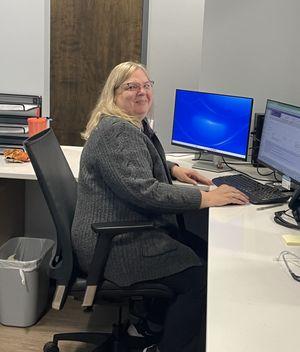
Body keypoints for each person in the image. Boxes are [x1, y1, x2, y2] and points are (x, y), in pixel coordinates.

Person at [71, 62, 249, 352]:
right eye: (131, 86)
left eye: (146, 85)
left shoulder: (126, 124)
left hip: (117, 234)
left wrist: (174, 169)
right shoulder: (119, 132)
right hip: (116, 244)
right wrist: (205, 199)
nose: (141, 92)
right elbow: (144, 192)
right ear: (113, 94)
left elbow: (134, 164)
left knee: (205, 253)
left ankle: (151, 324)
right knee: (200, 279)